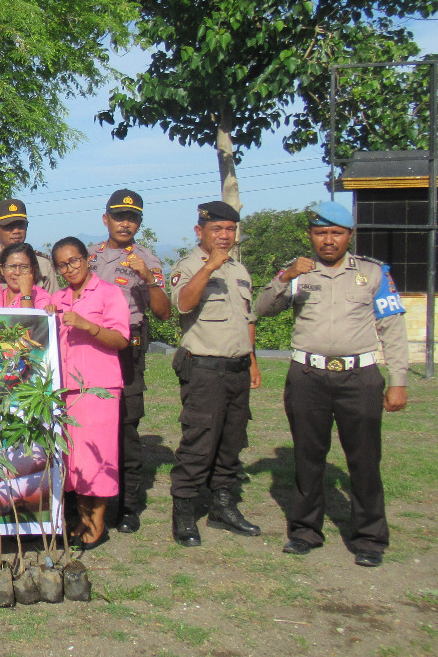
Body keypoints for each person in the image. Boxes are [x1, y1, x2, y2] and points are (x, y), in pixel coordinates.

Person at [254, 201, 409, 568]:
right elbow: (261, 309)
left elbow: (392, 327)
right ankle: (305, 532)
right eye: (320, 232)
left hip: (360, 378)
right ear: (310, 235)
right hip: (308, 377)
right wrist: (286, 276)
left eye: (336, 233)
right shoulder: (298, 274)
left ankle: (370, 538)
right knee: (308, 459)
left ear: (349, 236)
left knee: (365, 460)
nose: (328, 240)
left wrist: (398, 380)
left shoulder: (373, 274)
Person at [166, 202, 262, 547]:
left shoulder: (240, 270)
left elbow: (247, 319)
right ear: (200, 232)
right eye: (217, 229)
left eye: (230, 229)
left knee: (231, 442)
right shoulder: (188, 267)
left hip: (236, 368)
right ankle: (185, 512)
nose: (225, 236)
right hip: (205, 369)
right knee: (199, 442)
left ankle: (223, 505)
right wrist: (209, 269)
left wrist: (252, 361)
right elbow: (182, 304)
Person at [87, 189, 170, 533]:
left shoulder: (148, 259)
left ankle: (129, 505)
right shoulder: (87, 255)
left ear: (139, 222)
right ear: (105, 219)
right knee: (89, 421)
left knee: (125, 425)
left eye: (132, 217)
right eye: (119, 216)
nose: (125, 223)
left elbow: (164, 314)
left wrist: (149, 281)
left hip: (127, 348)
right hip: (90, 347)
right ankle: (89, 500)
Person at [51, 236, 130, 550]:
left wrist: (87, 325)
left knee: (97, 456)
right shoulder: (58, 299)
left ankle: (97, 526)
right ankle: (81, 521)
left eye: (75, 261)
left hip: (98, 389)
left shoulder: (110, 294)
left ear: (86, 259)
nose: (70, 269)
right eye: (62, 265)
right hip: (66, 390)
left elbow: (121, 339)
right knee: (74, 459)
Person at [0, 198, 59, 293]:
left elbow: (54, 302)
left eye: (21, 225)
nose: (16, 231)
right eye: (9, 226)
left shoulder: (43, 264)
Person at [0, 243, 53, 310]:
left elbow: (29, 320)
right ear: (2, 269)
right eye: (12, 266)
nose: (17, 272)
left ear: (33, 269)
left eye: (24, 267)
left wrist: (26, 295)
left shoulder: (41, 296)